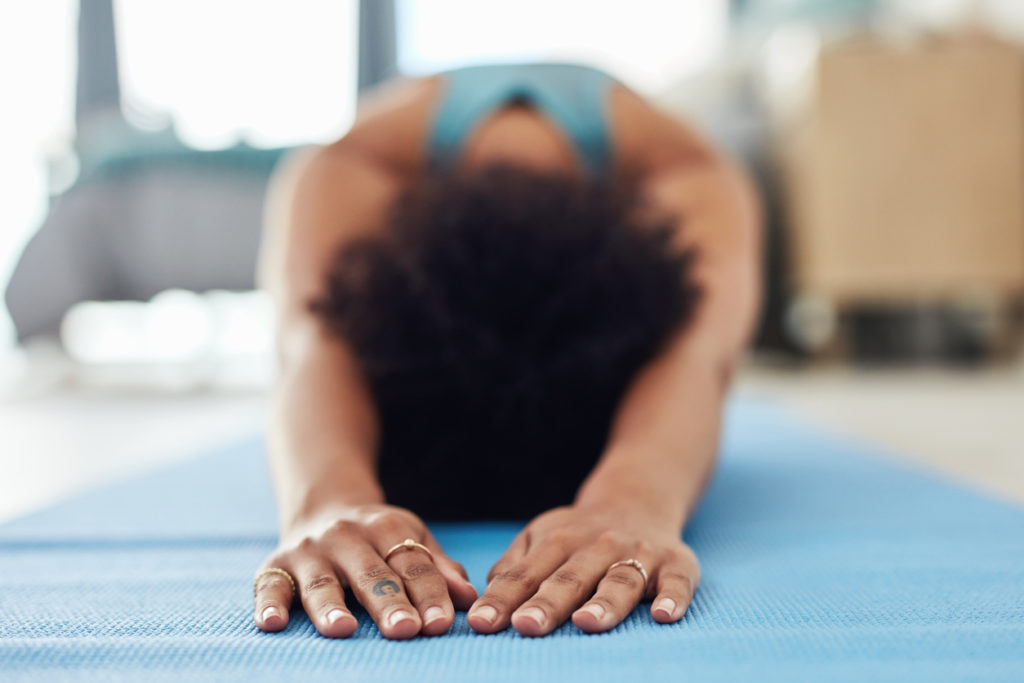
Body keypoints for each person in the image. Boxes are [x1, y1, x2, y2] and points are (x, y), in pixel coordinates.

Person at [252, 63, 761, 640]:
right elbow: (314, 344)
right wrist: (327, 501)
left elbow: (695, 354)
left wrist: (632, 500)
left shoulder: (688, 174)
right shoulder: (346, 167)